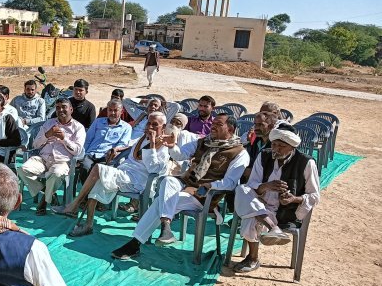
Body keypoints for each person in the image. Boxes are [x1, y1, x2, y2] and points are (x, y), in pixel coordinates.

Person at [111, 114, 249, 259]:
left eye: (219, 124)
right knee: (168, 181)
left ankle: (138, 242)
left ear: (231, 129)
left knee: (161, 201)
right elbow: (180, 155)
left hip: (203, 196)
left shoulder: (239, 153)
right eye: (213, 123)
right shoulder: (203, 142)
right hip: (186, 185)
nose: (213, 126)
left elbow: (230, 182)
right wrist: (172, 146)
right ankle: (165, 228)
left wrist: (209, 185)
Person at [53, 112, 169, 237]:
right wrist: (117, 151)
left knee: (98, 168)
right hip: (124, 174)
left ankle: (74, 205)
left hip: (139, 181)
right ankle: (88, 225)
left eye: (155, 125)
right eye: (149, 123)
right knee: (98, 182)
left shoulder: (164, 146)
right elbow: (129, 148)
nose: (150, 127)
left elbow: (154, 169)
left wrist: (152, 144)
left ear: (163, 127)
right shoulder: (142, 138)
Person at [232, 123, 320, 273]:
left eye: (281, 146)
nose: (276, 150)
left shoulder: (306, 162)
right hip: (260, 203)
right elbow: (252, 184)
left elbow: (314, 196)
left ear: (292, 146)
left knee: (251, 217)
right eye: (274, 145)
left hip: (285, 211)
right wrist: (267, 186)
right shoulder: (264, 155)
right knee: (242, 189)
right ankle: (273, 228)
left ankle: (253, 258)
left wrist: (293, 199)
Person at [17, 98, 85, 216]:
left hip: (61, 161)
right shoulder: (49, 123)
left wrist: (64, 139)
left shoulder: (78, 127)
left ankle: (44, 201)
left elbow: (77, 151)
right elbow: (35, 144)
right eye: (58, 107)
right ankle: (49, 194)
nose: (61, 110)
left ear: (71, 109)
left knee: (57, 173)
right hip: (43, 159)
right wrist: (47, 135)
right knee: (23, 170)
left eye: (64, 107)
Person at [78, 99, 132, 185]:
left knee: (99, 171)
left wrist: (114, 151)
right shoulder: (98, 122)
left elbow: (123, 144)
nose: (112, 113)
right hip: (91, 154)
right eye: (110, 110)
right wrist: (83, 154)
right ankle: (88, 195)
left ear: (121, 111)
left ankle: (88, 196)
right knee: (85, 167)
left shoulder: (126, 127)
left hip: (107, 157)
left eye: (115, 110)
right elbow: (88, 139)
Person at [242, 111, 277, 181]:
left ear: (271, 126)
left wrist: (253, 171)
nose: (256, 128)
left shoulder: (276, 145)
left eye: (260, 125)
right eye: (255, 124)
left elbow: (274, 168)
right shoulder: (257, 140)